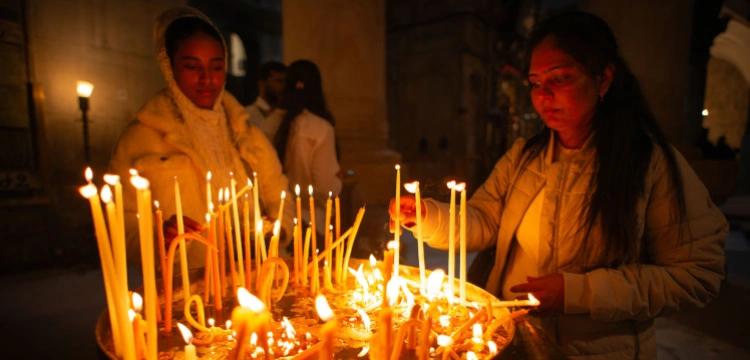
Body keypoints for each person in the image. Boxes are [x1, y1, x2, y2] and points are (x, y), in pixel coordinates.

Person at [389, 12, 728, 359]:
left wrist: (578, 292)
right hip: (515, 343)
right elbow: (484, 219)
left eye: (560, 78)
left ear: (604, 79)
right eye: (535, 83)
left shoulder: (648, 164)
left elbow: (696, 274)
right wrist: (428, 216)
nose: (543, 95)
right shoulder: (525, 157)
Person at [109, 7, 295, 269]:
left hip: (258, 275)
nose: (207, 78)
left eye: (216, 67)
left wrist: (274, 231)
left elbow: (279, 193)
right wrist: (160, 239)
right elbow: (122, 222)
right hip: (187, 289)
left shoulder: (246, 133)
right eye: (191, 66)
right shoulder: (141, 139)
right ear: (169, 65)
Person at [270, 59, 342, 234]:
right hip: (309, 222)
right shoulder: (320, 128)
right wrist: (338, 182)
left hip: (275, 220)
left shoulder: (266, 124)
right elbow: (325, 186)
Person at [246, 61, 287, 140]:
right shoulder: (248, 115)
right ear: (262, 83)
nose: (283, 86)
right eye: (279, 81)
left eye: (286, 82)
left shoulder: (286, 114)